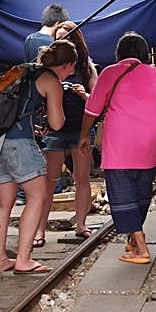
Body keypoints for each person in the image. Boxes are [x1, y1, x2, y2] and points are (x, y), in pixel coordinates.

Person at [78, 32, 156, 264]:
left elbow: (91, 110)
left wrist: (84, 135)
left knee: (122, 192)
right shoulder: (155, 72)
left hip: (120, 143)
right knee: (141, 192)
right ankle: (134, 241)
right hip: (151, 141)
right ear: (144, 54)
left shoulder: (109, 72)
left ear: (119, 53)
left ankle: (142, 246)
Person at [0, 40, 78, 275]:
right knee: (38, 195)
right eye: (72, 67)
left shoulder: (23, 70)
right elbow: (57, 123)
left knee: (3, 203)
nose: (73, 72)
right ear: (66, 64)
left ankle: (0, 260)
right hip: (17, 144)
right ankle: (24, 259)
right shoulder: (51, 81)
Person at [33, 21, 99, 247]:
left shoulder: (86, 68)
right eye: (59, 37)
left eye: (68, 37)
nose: (64, 41)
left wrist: (84, 95)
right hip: (55, 131)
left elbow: (99, 102)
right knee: (49, 181)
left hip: (80, 130)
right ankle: (39, 230)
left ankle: (81, 225)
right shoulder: (48, 69)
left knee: (82, 178)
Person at [17, 4, 70, 205]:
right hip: (49, 98)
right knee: (50, 145)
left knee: (36, 146)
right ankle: (47, 188)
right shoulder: (52, 42)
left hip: (31, 102)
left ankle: (26, 192)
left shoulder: (29, 40)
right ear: (58, 24)